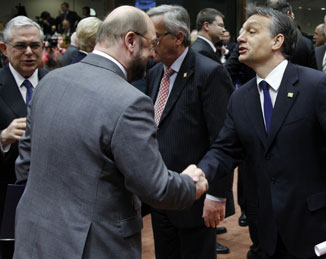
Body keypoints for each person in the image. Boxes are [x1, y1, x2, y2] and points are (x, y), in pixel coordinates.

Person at [12, 6, 208, 259]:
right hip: (93, 245)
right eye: (151, 44)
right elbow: (155, 187)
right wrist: (190, 184)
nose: (153, 54)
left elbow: (25, 165)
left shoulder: (49, 82)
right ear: (130, 41)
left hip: (34, 236)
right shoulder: (130, 101)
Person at [199, 6, 326, 259]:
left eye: (251, 31)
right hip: (268, 233)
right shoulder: (240, 98)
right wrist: (200, 172)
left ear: (277, 40)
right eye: (240, 32)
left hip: (322, 231)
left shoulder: (318, 87)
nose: (240, 38)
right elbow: (224, 149)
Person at [146, 5, 234, 258]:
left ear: (178, 38)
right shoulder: (155, 74)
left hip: (195, 196)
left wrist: (217, 194)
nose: (150, 43)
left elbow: (223, 140)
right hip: (162, 194)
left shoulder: (209, 73)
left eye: (156, 37)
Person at [0, 15, 47, 259]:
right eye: (20, 46)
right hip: (8, 194)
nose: (29, 52)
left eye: (35, 45)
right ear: (4, 49)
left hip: (52, 196)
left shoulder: (58, 82)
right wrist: (3, 138)